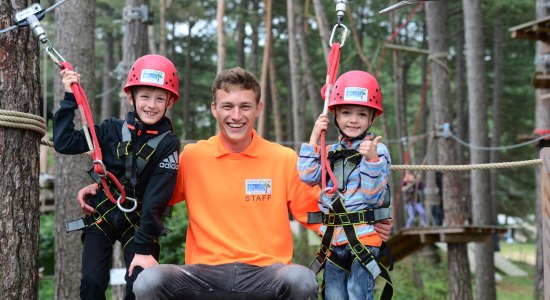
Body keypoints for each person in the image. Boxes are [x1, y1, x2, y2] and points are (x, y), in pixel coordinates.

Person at [128, 67, 393, 300]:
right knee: (149, 281)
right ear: (214, 109)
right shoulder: (192, 157)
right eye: (227, 106)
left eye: (245, 106)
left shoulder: (283, 159)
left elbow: (320, 214)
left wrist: (368, 223)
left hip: (267, 275)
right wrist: (100, 191)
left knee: (301, 279)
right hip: (203, 276)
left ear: (258, 108)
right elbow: (151, 198)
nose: (236, 115)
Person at [53, 54, 181, 300]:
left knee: (140, 286)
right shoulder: (110, 130)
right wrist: (70, 97)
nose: (151, 105)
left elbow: (157, 198)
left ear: (169, 102)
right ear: (130, 97)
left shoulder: (168, 144)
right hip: (102, 215)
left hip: (140, 224)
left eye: (159, 99)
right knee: (91, 284)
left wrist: (144, 248)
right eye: (144, 96)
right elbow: (65, 142)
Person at [298, 70, 393, 300]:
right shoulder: (330, 152)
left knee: (357, 294)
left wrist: (371, 161)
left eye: (362, 114)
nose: (353, 119)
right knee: (334, 295)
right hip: (333, 241)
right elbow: (307, 175)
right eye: (346, 112)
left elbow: (372, 197)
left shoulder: (377, 151)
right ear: (336, 116)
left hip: (363, 240)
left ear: (372, 118)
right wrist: (314, 137)